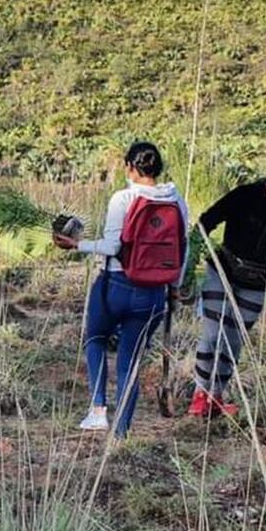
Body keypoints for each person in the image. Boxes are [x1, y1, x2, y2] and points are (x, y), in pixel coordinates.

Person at [54, 141, 188, 438]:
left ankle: (98, 410)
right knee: (130, 361)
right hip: (153, 293)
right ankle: (121, 433)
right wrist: (175, 287)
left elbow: (112, 246)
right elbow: (183, 247)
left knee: (95, 338)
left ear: (130, 167)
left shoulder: (123, 198)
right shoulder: (176, 199)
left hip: (116, 284)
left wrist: (77, 245)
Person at [191, 157, 266, 417]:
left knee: (234, 342)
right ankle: (200, 394)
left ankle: (217, 395)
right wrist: (191, 256)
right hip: (223, 270)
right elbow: (207, 219)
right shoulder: (245, 195)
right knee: (212, 335)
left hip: (257, 281)